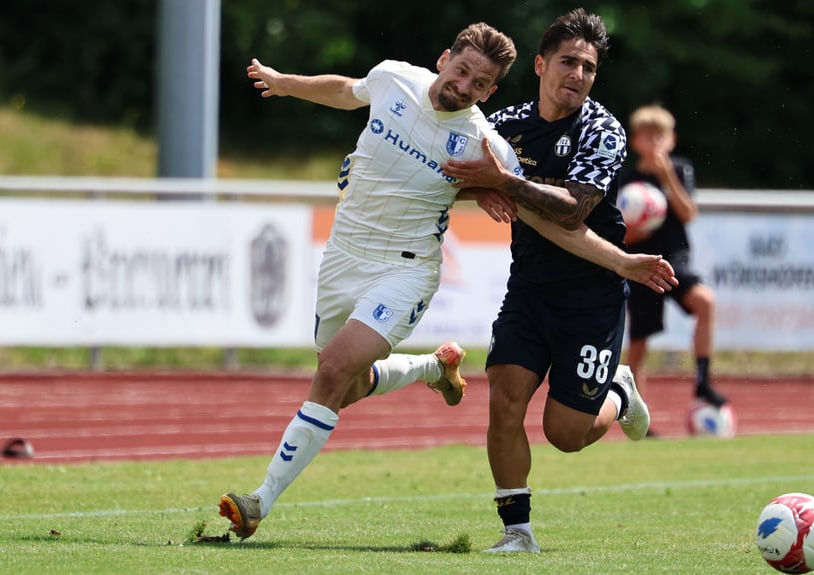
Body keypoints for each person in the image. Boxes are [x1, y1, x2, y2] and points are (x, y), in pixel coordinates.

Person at [219, 22, 675, 542]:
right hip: (352, 257)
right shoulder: (398, 79)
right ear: (444, 59)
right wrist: (284, 82)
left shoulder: (501, 143)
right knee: (342, 380)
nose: (465, 85)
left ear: (490, 90)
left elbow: (562, 217)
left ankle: (260, 500)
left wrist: (616, 259)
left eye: (480, 83)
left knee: (560, 432)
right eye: (462, 71)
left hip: (418, 268)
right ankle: (431, 369)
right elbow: (348, 91)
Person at [442, 9, 676, 553]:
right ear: (542, 64)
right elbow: (452, 174)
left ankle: (619, 388)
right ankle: (517, 533)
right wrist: (482, 188)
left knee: (565, 436)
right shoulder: (504, 125)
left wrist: (502, 182)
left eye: (589, 68)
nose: (578, 74)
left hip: (590, 297)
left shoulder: (603, 130)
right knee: (503, 399)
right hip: (528, 289)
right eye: (568, 61)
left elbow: (572, 211)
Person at [619, 104, 728, 416]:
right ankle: (635, 410)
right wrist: (634, 233)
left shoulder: (679, 170)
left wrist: (666, 174)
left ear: (672, 139)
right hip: (643, 266)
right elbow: (620, 235)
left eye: (660, 136)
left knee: (704, 301)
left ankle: (703, 380)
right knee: (638, 344)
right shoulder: (628, 181)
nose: (654, 143)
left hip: (676, 261)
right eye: (646, 136)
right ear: (634, 141)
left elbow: (688, 213)